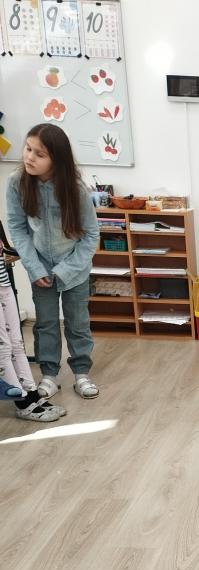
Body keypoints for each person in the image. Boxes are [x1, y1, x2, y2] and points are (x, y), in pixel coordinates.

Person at [6, 123, 99, 400]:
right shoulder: (16, 182)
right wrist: (35, 268)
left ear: (57, 159)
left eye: (39, 154)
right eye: (28, 149)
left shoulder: (76, 189)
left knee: (77, 323)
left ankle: (81, 373)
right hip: (40, 269)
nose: (29, 157)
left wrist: (65, 270)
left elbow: (91, 235)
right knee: (45, 324)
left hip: (74, 270)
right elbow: (17, 228)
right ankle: (49, 375)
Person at [0, 225, 67, 420]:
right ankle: (21, 401)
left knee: (17, 343)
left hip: (3, 282)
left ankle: (31, 393)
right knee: (3, 347)